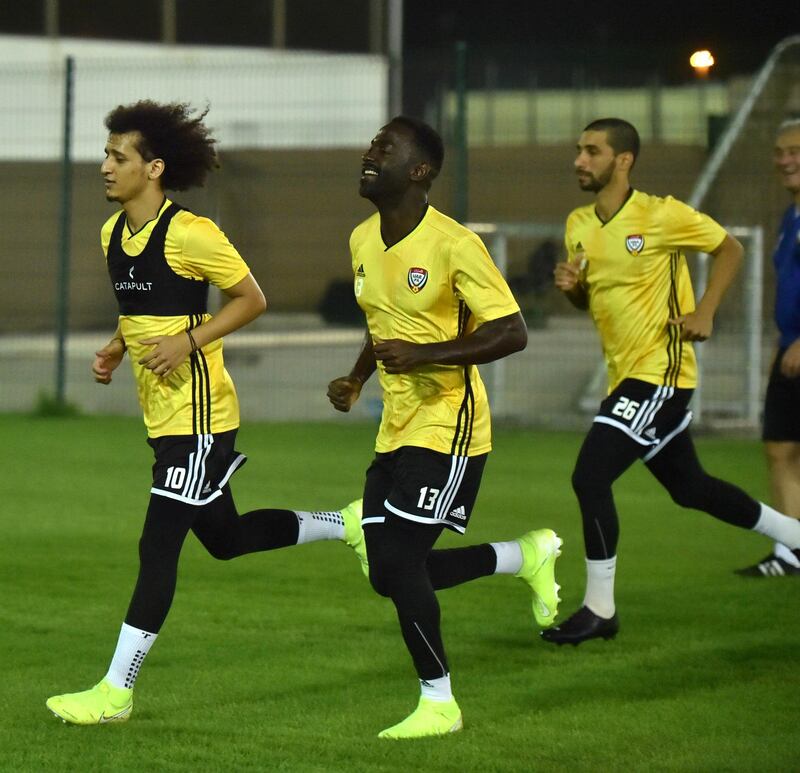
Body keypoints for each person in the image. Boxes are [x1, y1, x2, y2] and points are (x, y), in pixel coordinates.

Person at [46, 101, 367, 725]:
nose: (105, 167)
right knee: (226, 539)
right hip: (162, 421)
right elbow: (143, 308)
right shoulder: (112, 234)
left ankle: (116, 691)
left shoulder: (192, 232)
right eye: (106, 155)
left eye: (119, 157)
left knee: (156, 546)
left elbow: (252, 299)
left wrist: (189, 341)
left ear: (154, 167)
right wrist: (118, 346)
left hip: (201, 420)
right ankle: (345, 523)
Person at [327, 116, 562, 739]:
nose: (369, 154)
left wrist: (429, 355)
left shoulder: (454, 244)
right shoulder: (360, 240)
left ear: (419, 171)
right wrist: (357, 377)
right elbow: (382, 325)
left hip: (449, 428)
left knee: (401, 565)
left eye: (385, 148)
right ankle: (523, 555)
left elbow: (511, 331)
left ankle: (440, 704)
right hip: (395, 428)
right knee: (387, 574)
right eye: (371, 144)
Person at [545, 117, 800, 646]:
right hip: (626, 377)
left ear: (624, 161)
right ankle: (795, 537)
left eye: (592, 151)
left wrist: (704, 310)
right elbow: (589, 298)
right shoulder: (578, 224)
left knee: (590, 477)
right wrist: (573, 287)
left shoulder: (660, 214)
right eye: (578, 149)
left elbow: (730, 248)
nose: (579, 160)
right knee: (690, 489)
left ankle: (599, 609)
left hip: (661, 372)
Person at [736, 118, 800, 577]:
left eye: (795, 150)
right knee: (779, 449)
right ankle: (791, 551)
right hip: (789, 346)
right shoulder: (790, 216)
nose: (785, 160)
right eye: (779, 152)